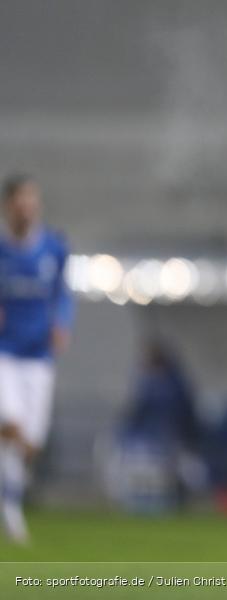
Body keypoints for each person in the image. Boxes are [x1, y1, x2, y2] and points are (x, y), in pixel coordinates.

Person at [0, 173, 74, 543]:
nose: (27, 208)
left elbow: (63, 293)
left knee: (30, 443)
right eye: (20, 201)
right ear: (8, 206)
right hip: (4, 353)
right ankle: (10, 509)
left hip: (38, 355)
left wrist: (62, 322)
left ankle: (9, 501)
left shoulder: (54, 248)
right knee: (9, 422)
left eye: (32, 200)